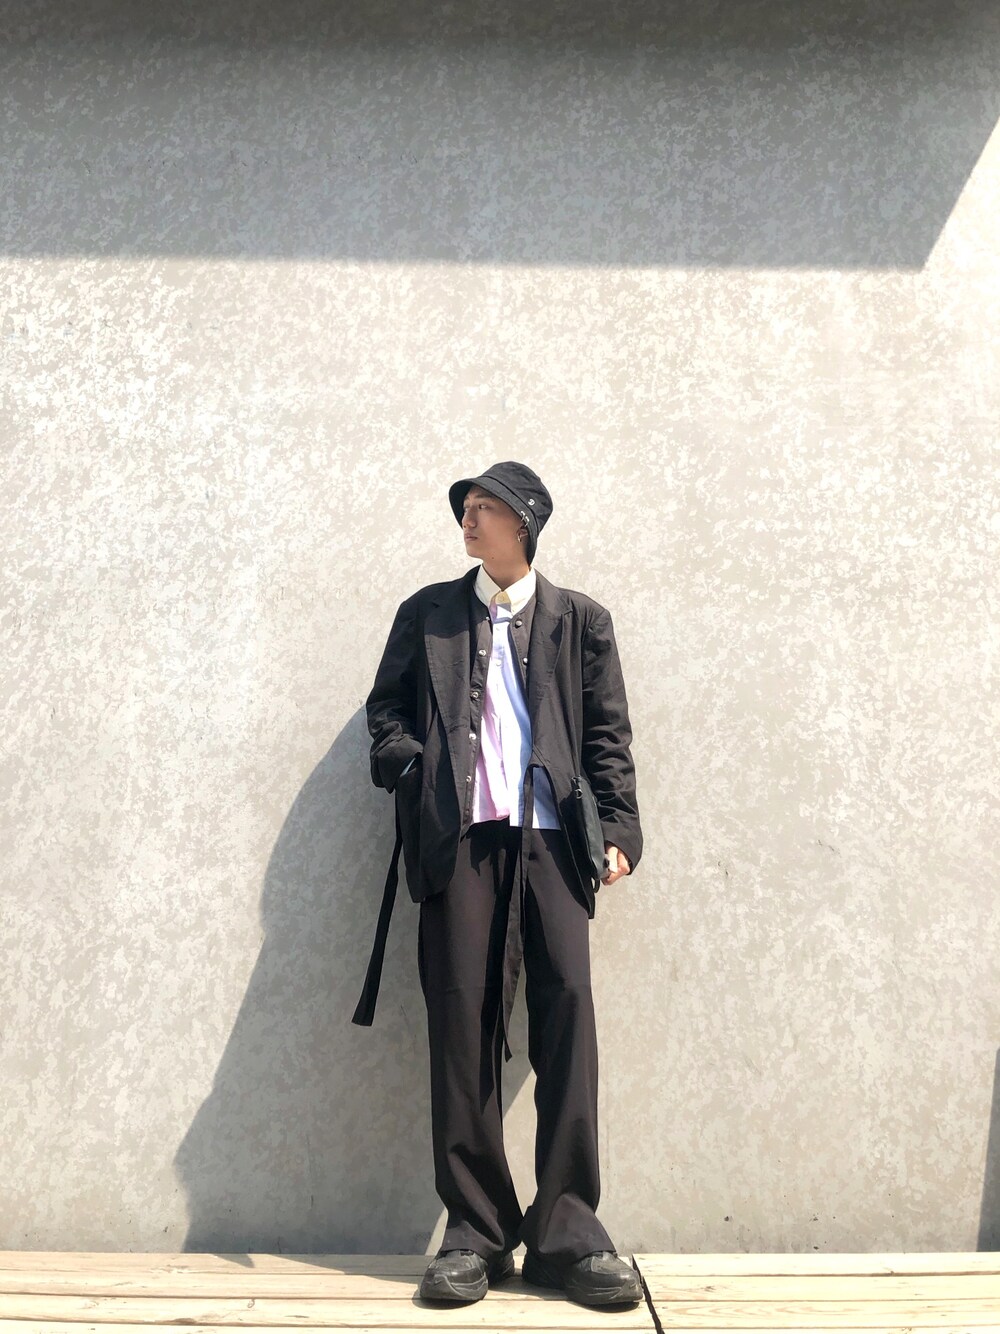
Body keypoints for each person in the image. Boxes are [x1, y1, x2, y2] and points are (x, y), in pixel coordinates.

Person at [353, 461, 643, 1307]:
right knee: (461, 1030)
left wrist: (619, 831)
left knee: (568, 1023)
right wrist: (413, 769)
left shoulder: (580, 621)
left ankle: (568, 1236)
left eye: (485, 509)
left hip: (554, 847)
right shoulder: (429, 614)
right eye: (467, 509)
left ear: (525, 524)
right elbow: (385, 713)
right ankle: (476, 1234)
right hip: (461, 845)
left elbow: (609, 737)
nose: (469, 521)